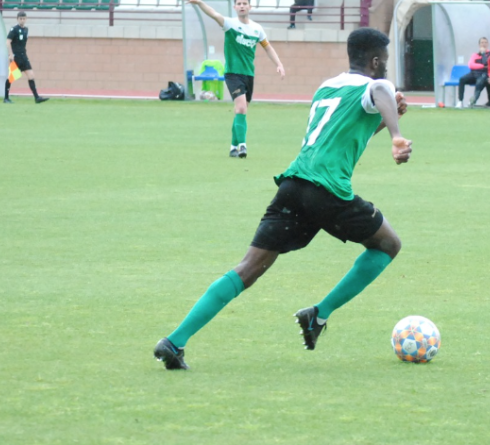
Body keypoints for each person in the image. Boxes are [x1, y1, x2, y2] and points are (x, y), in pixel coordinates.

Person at [153, 28, 412, 371]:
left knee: (248, 268)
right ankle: (318, 315)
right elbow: (380, 89)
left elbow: (347, 131)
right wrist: (396, 134)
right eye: (386, 61)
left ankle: (174, 341)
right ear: (376, 60)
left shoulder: (327, 87)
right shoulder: (373, 86)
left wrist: (388, 117)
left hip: (294, 185)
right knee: (388, 245)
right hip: (328, 190)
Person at [182, 0, 285, 159]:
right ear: (235, 7)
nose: (242, 6)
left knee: (241, 111)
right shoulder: (230, 24)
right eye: (239, 3)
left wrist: (279, 64)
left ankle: (232, 147)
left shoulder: (257, 29)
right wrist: (200, 3)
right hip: (232, 74)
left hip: (248, 75)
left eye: (245, 3)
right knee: (241, 108)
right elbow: (214, 14)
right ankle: (242, 146)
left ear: (250, 7)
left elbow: (268, 47)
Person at [4, 12, 49, 105]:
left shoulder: (26, 30)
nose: (22, 20)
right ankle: (6, 97)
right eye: (20, 18)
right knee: (12, 77)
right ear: (17, 19)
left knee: (31, 75)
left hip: (24, 56)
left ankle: (37, 97)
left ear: (26, 19)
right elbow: (8, 42)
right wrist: (10, 54)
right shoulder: (14, 29)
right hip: (16, 57)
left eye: (23, 18)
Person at [455, 37, 490, 108]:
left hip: (484, 74)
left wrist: (483, 54)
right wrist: (482, 66)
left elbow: (486, 63)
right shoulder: (475, 55)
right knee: (462, 79)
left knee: (480, 82)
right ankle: (460, 101)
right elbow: (471, 65)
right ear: (479, 44)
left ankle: (472, 101)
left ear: (487, 44)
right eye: (482, 42)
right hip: (474, 73)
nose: (483, 44)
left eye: (485, 42)